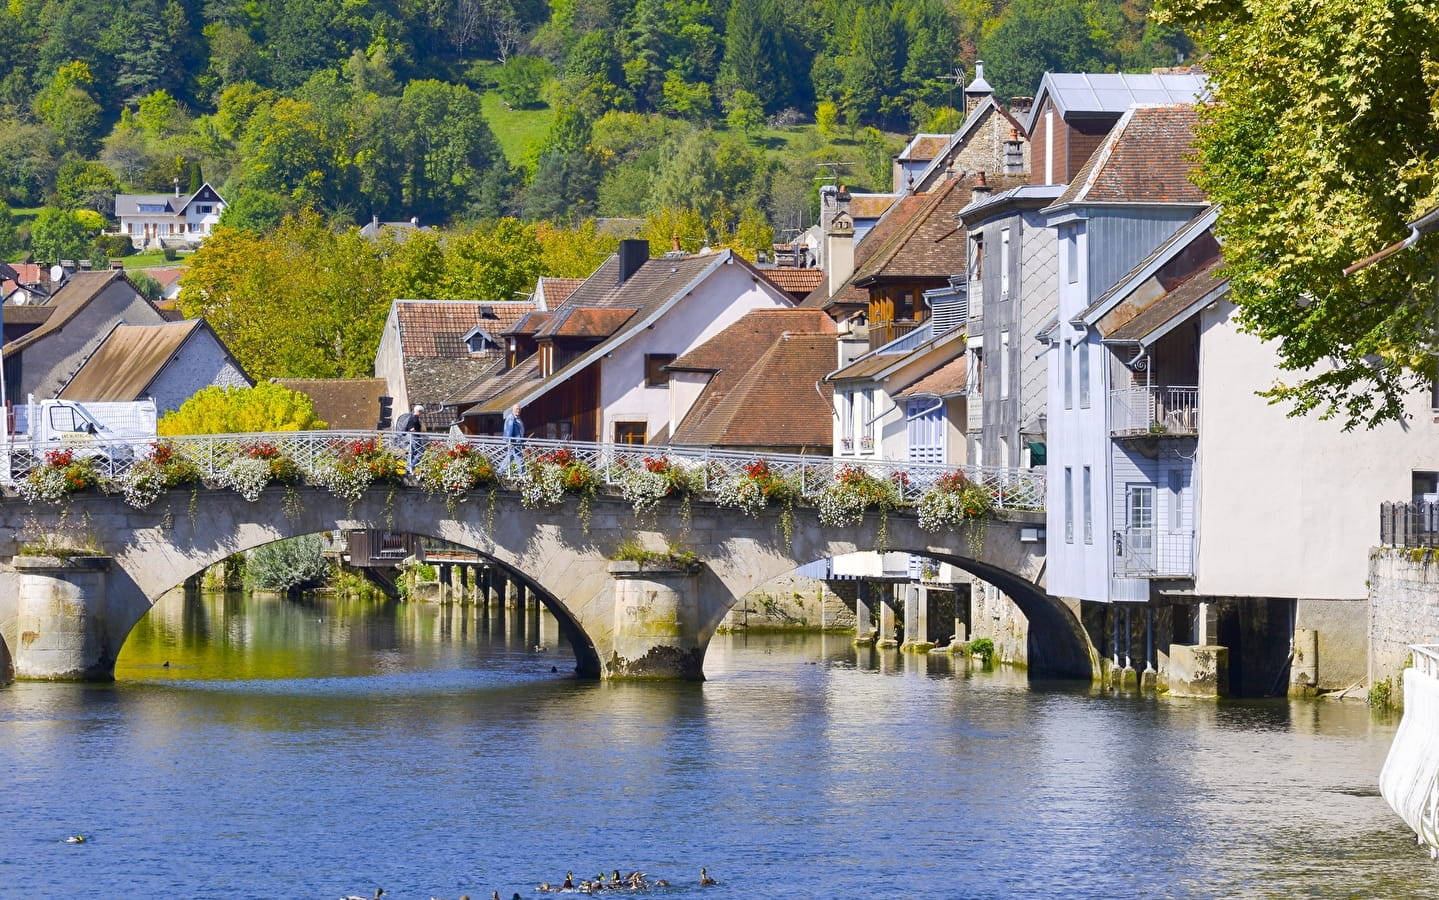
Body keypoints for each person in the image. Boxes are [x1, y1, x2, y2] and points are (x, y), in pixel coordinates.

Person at [502, 404, 524, 472]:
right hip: (514, 443)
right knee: (519, 458)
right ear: (513, 410)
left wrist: (522, 442)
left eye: (519, 409)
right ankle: (523, 474)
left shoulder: (517, 418)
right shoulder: (511, 418)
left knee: (510, 458)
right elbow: (509, 430)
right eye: (517, 409)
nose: (518, 410)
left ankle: (499, 472)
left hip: (517, 442)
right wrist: (510, 442)